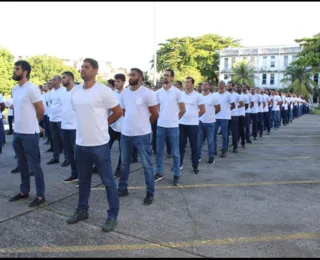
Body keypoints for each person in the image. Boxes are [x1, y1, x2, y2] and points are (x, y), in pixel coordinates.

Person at [67, 58, 123, 232]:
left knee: (108, 182)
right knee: (83, 180)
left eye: (86, 67)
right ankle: (82, 210)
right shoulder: (75, 91)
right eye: (82, 67)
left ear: (95, 70)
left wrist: (103, 124)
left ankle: (112, 215)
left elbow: (118, 111)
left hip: (99, 145)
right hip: (81, 144)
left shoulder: (104, 91)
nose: (82, 70)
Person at [118, 68, 159, 204]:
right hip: (126, 134)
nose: (130, 77)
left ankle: (150, 192)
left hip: (142, 135)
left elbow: (155, 114)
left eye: (133, 75)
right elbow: (124, 111)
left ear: (140, 78)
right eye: (129, 75)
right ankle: (123, 188)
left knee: (146, 164)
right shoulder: (124, 93)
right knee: (124, 163)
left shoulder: (148, 94)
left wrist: (144, 124)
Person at [8, 60, 46, 207]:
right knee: (22, 164)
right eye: (15, 68)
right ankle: (24, 191)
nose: (14, 71)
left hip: (30, 133)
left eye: (17, 69)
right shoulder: (15, 89)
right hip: (17, 133)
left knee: (35, 166)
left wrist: (34, 124)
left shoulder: (32, 89)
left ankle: (40, 195)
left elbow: (41, 110)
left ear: (25, 72)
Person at [154, 69, 186, 186]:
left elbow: (183, 109)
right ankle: (159, 172)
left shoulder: (177, 92)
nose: (165, 77)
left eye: (167, 75)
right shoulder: (157, 92)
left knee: (175, 152)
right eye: (164, 75)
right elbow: (156, 109)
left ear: (172, 78)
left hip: (173, 126)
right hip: (161, 125)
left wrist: (175, 120)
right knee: (159, 151)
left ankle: (176, 175)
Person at [179, 77, 205, 173]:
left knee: (194, 146)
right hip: (181, 124)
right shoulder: (180, 95)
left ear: (192, 84)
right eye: (185, 82)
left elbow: (203, 110)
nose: (186, 84)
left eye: (188, 82)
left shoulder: (198, 96)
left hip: (193, 125)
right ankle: (179, 164)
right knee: (180, 145)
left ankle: (195, 166)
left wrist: (194, 117)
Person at [61, 71, 78, 184]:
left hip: (75, 127)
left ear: (71, 78)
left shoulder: (78, 90)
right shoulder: (63, 92)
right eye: (61, 78)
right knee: (70, 153)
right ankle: (74, 174)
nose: (62, 80)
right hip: (65, 126)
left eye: (64, 78)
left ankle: (82, 177)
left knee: (78, 154)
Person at [47, 75, 68, 166]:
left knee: (64, 139)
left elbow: (65, 105)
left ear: (59, 81)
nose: (52, 81)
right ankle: (56, 157)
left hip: (61, 119)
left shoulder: (64, 91)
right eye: (52, 80)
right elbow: (51, 104)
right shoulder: (51, 92)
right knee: (54, 139)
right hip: (52, 119)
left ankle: (68, 158)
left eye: (54, 80)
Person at [197, 81, 220, 163]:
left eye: (206, 84)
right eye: (203, 84)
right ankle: (198, 156)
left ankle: (211, 157)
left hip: (210, 122)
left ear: (210, 86)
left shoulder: (213, 97)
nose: (203, 85)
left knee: (210, 141)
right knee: (199, 141)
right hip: (200, 121)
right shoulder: (198, 96)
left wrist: (211, 115)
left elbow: (218, 108)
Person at [109, 73, 125, 179]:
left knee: (122, 151)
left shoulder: (127, 93)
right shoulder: (112, 94)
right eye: (115, 81)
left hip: (124, 127)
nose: (116, 83)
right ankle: (98, 167)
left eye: (118, 81)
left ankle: (119, 170)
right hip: (112, 126)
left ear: (123, 82)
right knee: (105, 148)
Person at [214, 81, 235, 157]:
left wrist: (227, 110)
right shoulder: (214, 95)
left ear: (224, 86)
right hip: (215, 117)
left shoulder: (228, 95)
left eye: (222, 83)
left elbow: (233, 105)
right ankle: (214, 149)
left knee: (224, 135)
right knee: (214, 135)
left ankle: (224, 150)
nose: (220, 85)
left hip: (224, 117)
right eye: (219, 83)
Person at [227, 82, 243, 153]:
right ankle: (225, 146)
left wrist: (235, 107)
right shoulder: (225, 94)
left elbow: (242, 104)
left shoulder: (236, 95)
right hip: (226, 116)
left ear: (233, 87)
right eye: (227, 85)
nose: (228, 87)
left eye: (230, 85)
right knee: (226, 132)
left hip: (234, 115)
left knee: (234, 132)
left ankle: (235, 146)